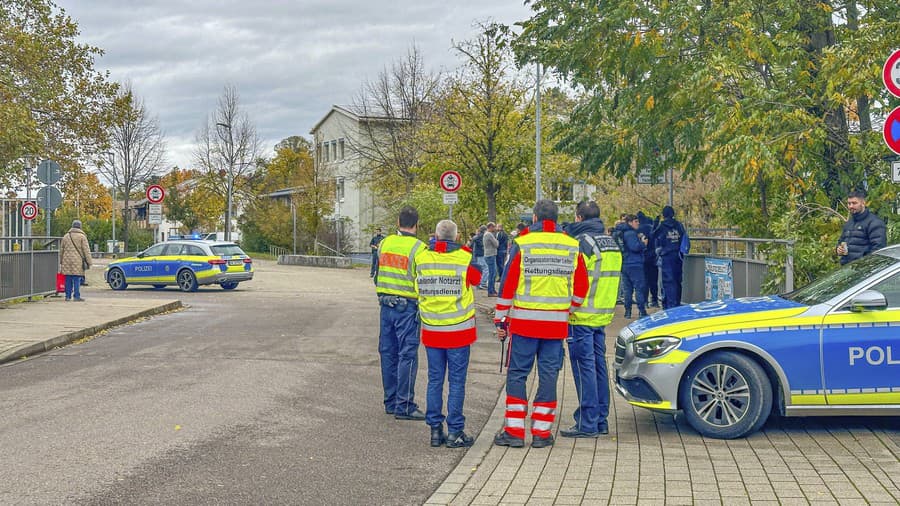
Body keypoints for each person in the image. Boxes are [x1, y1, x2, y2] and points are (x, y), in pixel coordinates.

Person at [493, 200, 589, 449]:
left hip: (525, 324)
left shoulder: (523, 244)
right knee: (548, 376)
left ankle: (514, 431)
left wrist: (501, 318)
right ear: (557, 219)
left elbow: (507, 283)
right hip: (555, 326)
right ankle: (541, 433)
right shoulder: (572, 245)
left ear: (534, 218)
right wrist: (569, 309)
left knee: (517, 374)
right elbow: (581, 288)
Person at [415, 219, 483, 448]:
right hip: (458, 330)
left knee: (434, 379)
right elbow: (477, 279)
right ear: (455, 237)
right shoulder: (464, 257)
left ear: (435, 234)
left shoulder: (422, 257)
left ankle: (435, 430)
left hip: (432, 329)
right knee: (456, 382)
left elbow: (417, 287)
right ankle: (455, 431)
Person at [561, 201, 621, 438]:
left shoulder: (582, 243)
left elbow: (574, 278)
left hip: (581, 313)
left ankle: (587, 422)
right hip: (602, 313)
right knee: (598, 366)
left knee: (583, 367)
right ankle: (600, 419)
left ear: (578, 218)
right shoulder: (610, 242)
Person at [374, 206, 426, 420]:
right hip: (407, 308)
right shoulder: (419, 248)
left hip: (386, 306)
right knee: (407, 355)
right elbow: (422, 279)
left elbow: (377, 273)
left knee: (388, 353)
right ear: (417, 224)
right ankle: (404, 405)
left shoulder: (384, 243)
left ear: (398, 222)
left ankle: (390, 401)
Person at [836, 189, 886, 264]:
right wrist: (838, 249)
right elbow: (841, 241)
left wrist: (864, 264)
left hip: (864, 269)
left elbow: (878, 249)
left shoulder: (874, 223)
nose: (851, 206)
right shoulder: (849, 223)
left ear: (863, 203)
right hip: (847, 269)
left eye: (854, 203)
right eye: (849, 203)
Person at [653, 205, 687, 310]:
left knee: (668, 281)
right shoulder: (679, 225)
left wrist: (655, 224)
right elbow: (684, 237)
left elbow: (653, 236)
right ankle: (677, 303)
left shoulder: (662, 226)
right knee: (677, 280)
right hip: (678, 256)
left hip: (666, 256)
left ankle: (669, 305)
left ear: (664, 215)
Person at [616, 215, 648, 319]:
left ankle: (628, 311)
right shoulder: (630, 234)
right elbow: (635, 247)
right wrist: (643, 244)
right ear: (630, 222)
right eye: (636, 221)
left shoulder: (622, 233)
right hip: (634, 264)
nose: (638, 223)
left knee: (627, 289)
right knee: (639, 288)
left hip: (625, 263)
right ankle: (642, 311)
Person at [60, 219, 91, 301]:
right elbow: (86, 250)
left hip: (66, 260)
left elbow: (61, 250)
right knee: (77, 278)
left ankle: (67, 296)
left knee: (68, 278)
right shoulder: (82, 237)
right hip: (77, 260)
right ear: (80, 227)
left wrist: (61, 260)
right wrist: (89, 262)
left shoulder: (66, 236)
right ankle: (76, 296)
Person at [636, 211, 659, 307]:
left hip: (642, 257)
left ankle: (645, 301)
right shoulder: (651, 228)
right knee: (653, 280)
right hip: (653, 257)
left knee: (644, 280)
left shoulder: (637, 230)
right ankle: (654, 300)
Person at [482, 222, 499, 296]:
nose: (495, 229)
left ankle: (492, 290)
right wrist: (496, 240)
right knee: (492, 273)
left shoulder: (486, 234)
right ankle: (491, 291)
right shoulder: (489, 234)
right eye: (494, 227)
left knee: (493, 273)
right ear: (491, 227)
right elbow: (496, 244)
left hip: (488, 255)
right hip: (490, 255)